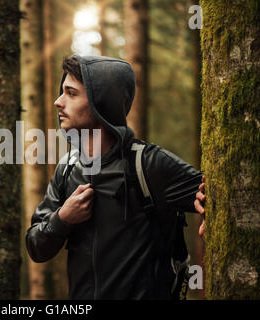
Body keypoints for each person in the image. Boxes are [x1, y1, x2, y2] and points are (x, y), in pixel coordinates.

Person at [25, 55, 205, 299]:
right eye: (62, 92)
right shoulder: (67, 169)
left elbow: (216, 193)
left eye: (71, 93)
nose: (58, 102)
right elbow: (36, 247)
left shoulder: (148, 165)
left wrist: (211, 210)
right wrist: (63, 218)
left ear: (102, 102)